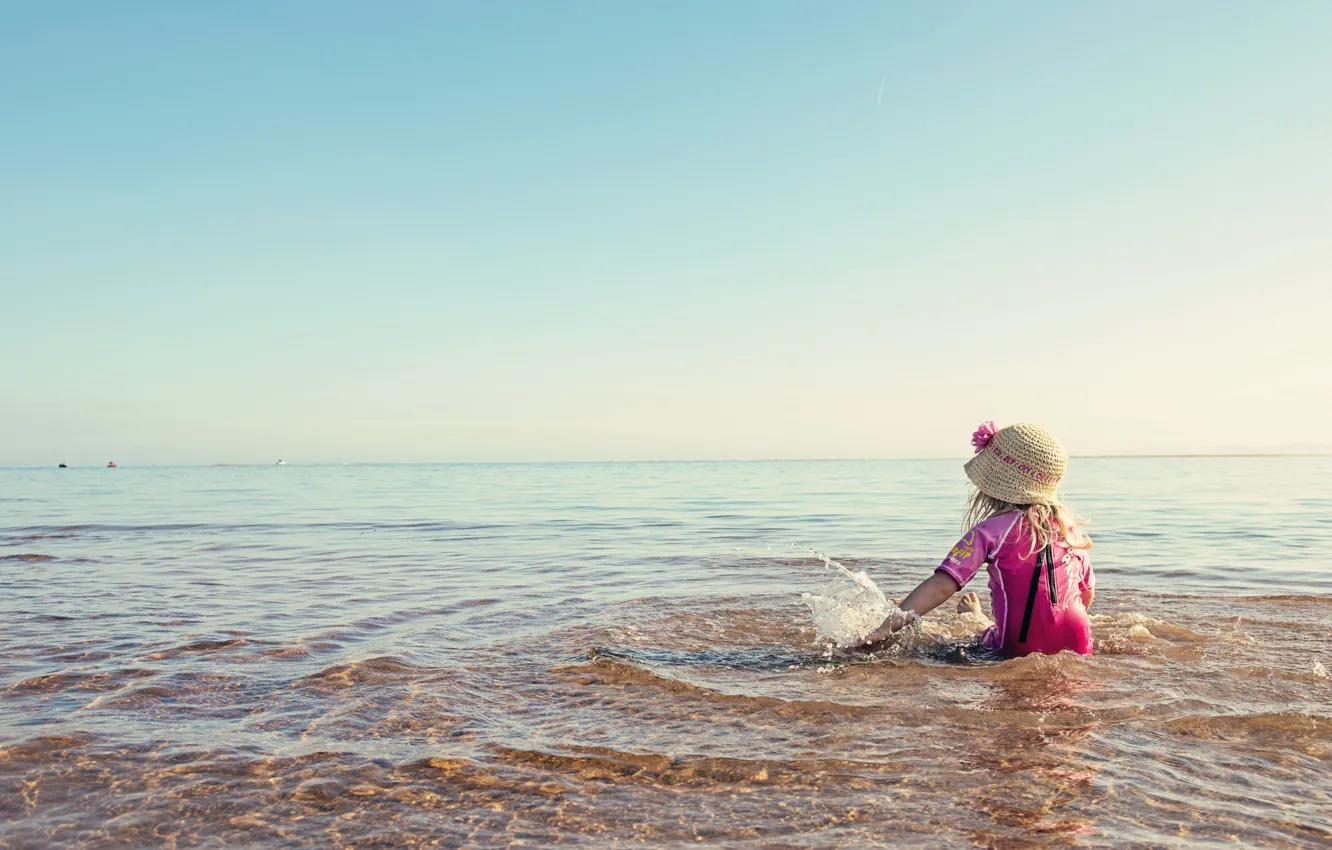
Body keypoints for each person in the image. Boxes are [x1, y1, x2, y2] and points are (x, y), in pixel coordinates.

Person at [859, 421, 1095, 657]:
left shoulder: (991, 531)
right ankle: (984, 620)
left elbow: (941, 586)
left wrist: (886, 627)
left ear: (995, 479)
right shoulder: (1069, 530)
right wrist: (1054, 626)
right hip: (1080, 640)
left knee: (987, 636)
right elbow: (1086, 594)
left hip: (1019, 644)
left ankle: (977, 618)